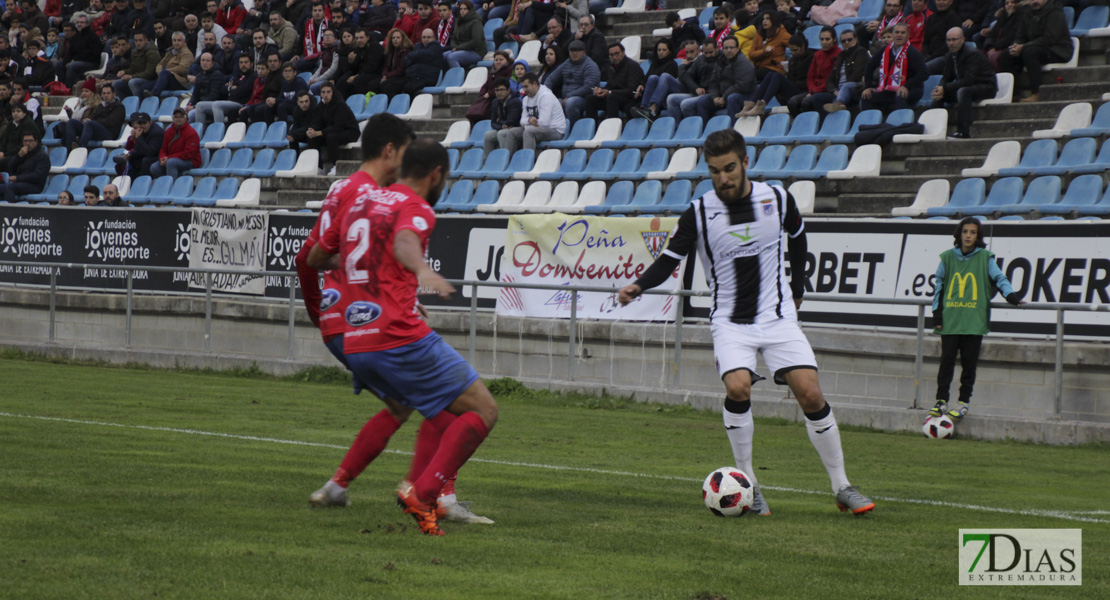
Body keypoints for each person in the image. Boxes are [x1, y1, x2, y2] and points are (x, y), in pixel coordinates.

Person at [618, 128, 875, 517]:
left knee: (811, 394)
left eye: (730, 168)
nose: (723, 178)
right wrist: (639, 284)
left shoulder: (776, 198)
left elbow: (799, 236)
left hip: (777, 315)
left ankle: (842, 486)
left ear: (745, 163)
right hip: (730, 321)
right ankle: (751, 485)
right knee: (738, 387)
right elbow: (671, 259)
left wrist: (798, 287)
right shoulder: (700, 212)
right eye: (715, 171)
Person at [297, 116, 493, 526]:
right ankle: (427, 494)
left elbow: (313, 256)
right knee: (474, 410)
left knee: (422, 409)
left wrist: (363, 289)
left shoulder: (357, 198)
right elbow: (405, 241)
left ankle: (345, 485)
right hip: (390, 331)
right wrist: (421, 271)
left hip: (355, 333)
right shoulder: (404, 202)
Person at [929, 217, 1024, 421]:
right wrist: (937, 313)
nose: (969, 236)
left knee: (968, 364)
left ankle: (963, 403)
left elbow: (1000, 279)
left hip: (974, 321)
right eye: (965, 231)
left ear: (978, 236)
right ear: (959, 234)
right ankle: (941, 401)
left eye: (973, 232)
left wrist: (1011, 296)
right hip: (951, 320)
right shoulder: (947, 258)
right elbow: (939, 286)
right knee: (946, 362)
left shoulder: (986, 258)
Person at [998, 0, 1072, 103]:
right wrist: (1016, 46)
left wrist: (1023, 46)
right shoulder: (1028, 14)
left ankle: (1036, 93)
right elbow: (1020, 36)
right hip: (1034, 47)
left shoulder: (1055, 13)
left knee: (1030, 52)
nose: (1035, 1)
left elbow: (1049, 38)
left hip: (1057, 50)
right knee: (1006, 55)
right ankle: (1015, 94)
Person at [932, 27, 997, 140]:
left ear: (962, 40)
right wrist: (940, 88)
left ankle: (963, 132)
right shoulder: (949, 56)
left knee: (963, 91)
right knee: (939, 96)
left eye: (954, 39)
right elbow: (946, 77)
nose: (951, 43)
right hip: (968, 86)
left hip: (986, 87)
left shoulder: (972, 54)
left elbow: (969, 80)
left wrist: (945, 87)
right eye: (948, 40)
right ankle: (933, 130)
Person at [860, 23, 927, 113]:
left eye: (903, 33)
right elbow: (869, 66)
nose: (899, 35)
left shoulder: (912, 52)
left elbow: (924, 74)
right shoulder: (885, 50)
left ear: (908, 35)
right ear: (893, 34)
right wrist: (868, 86)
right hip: (889, 88)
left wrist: (906, 86)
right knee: (866, 96)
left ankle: (901, 123)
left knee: (900, 95)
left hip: (912, 88)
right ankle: (870, 124)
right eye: (897, 32)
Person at [497, 72, 565, 153]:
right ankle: (508, 162)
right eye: (523, 87)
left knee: (529, 132)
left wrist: (530, 123)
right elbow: (522, 121)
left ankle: (526, 162)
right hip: (536, 128)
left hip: (555, 130)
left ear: (535, 84)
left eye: (526, 86)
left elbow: (544, 122)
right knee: (512, 132)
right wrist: (530, 121)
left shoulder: (546, 96)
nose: (524, 90)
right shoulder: (526, 99)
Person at [542, 39, 600, 125]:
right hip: (566, 98)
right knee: (552, 102)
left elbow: (589, 87)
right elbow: (551, 79)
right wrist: (545, 93)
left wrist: (569, 96)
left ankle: (574, 128)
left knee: (570, 103)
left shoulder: (590, 65)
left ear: (584, 51)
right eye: (572, 50)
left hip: (583, 98)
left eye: (577, 51)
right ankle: (558, 129)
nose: (574, 53)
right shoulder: (567, 63)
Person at [307, 82, 359, 175]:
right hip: (333, 130)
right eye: (323, 92)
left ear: (333, 92)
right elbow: (318, 121)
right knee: (312, 137)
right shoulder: (322, 105)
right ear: (320, 94)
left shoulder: (340, 104)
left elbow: (338, 126)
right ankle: (318, 167)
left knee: (331, 137)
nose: (326, 95)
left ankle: (336, 166)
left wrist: (320, 132)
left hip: (350, 131)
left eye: (328, 92)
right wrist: (312, 130)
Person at [786, 25, 838, 116]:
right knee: (792, 102)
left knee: (806, 102)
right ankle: (800, 125)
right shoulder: (817, 54)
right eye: (821, 39)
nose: (824, 42)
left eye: (827, 39)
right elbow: (810, 76)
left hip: (827, 90)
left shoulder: (838, 54)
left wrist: (814, 91)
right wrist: (812, 90)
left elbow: (831, 79)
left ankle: (813, 126)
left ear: (834, 39)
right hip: (813, 90)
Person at [587, 42, 644, 120]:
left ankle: (612, 128)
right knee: (590, 99)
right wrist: (600, 91)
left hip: (630, 100)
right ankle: (593, 128)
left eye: (617, 53)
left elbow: (632, 90)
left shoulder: (632, 66)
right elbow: (609, 86)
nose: (614, 57)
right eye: (612, 55)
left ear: (623, 53)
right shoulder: (611, 68)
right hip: (614, 97)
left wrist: (610, 92)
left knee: (612, 97)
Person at [817, 28, 869, 114]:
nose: (847, 42)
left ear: (856, 39)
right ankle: (824, 123)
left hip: (855, 87)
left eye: (849, 39)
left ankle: (838, 103)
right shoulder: (841, 55)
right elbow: (830, 78)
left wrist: (842, 91)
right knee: (817, 98)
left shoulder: (860, 51)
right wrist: (834, 90)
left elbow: (857, 74)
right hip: (839, 90)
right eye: (844, 41)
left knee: (846, 86)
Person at [63, 84, 125, 150]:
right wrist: (88, 119)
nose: (106, 95)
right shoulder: (101, 106)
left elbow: (111, 121)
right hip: (96, 130)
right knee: (72, 122)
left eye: (108, 93)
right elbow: (94, 116)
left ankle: (80, 149)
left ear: (114, 94)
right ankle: (70, 149)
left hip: (109, 133)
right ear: (101, 94)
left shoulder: (119, 107)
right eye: (104, 93)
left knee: (90, 123)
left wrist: (92, 121)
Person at [151, 108, 201, 178]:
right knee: (154, 167)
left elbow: (189, 154)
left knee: (171, 163)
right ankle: (164, 185)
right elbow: (163, 149)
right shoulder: (168, 131)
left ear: (185, 118)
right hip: (172, 159)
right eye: (176, 117)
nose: (178, 119)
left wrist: (168, 158)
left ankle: (172, 186)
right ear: (173, 118)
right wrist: (162, 157)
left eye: (181, 116)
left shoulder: (191, 133)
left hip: (190, 161)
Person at [0, 131, 48, 203]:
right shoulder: (23, 154)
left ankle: (10, 212)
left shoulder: (42, 156)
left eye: (30, 141)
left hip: (34, 185)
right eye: (25, 141)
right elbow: (10, 168)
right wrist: (18, 157)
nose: (27, 143)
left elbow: (38, 176)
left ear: (36, 142)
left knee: (9, 187)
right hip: (19, 183)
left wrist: (17, 178)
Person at [483, 77, 522, 155]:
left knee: (501, 134)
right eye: (497, 90)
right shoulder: (495, 102)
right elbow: (493, 122)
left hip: (515, 129)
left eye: (502, 90)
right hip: (502, 128)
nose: (499, 93)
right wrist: (501, 126)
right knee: (488, 135)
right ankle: (488, 161)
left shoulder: (515, 101)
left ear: (508, 90)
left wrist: (499, 121)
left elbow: (512, 121)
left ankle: (505, 160)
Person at [443, 0, 484, 70]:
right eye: (461, 9)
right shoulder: (459, 22)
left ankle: (458, 78)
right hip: (461, 49)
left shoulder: (476, 22)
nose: (462, 11)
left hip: (475, 51)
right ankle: (447, 77)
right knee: (443, 56)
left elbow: (476, 41)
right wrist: (455, 47)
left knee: (452, 57)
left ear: (470, 10)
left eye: (465, 9)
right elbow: (453, 38)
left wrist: (459, 48)